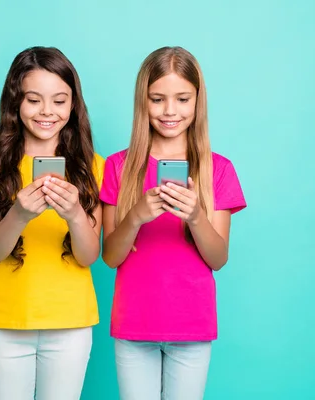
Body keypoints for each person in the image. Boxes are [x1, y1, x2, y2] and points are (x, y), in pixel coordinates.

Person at [99, 46, 247, 400]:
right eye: (157, 99)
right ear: (142, 101)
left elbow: (218, 258)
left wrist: (196, 216)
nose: (170, 111)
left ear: (198, 101)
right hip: (134, 324)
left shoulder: (218, 169)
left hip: (191, 325)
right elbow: (110, 256)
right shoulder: (119, 166)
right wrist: (136, 215)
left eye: (182, 99)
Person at [0, 46, 104, 400]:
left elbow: (89, 256)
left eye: (59, 100)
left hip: (71, 321)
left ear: (73, 105)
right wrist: (20, 213)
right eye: (33, 100)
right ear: (15, 103)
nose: (47, 112)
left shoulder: (91, 167)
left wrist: (73, 215)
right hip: (7, 322)